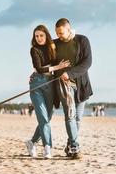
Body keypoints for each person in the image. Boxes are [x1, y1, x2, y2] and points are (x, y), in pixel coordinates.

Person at [25, 25, 70, 158]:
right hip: (37, 84)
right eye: (36, 36)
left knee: (47, 118)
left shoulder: (53, 46)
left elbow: (66, 39)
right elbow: (39, 69)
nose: (39, 38)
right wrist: (57, 67)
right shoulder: (34, 50)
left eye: (41, 35)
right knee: (43, 118)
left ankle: (32, 142)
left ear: (46, 35)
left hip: (50, 84)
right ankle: (47, 148)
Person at [53, 18, 93, 159]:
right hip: (64, 86)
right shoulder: (54, 44)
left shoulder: (82, 41)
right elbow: (47, 62)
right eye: (57, 33)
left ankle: (70, 145)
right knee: (70, 115)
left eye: (61, 33)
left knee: (77, 119)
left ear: (69, 29)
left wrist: (69, 73)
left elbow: (87, 62)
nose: (59, 36)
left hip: (81, 86)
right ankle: (75, 147)